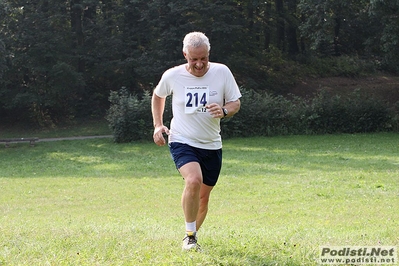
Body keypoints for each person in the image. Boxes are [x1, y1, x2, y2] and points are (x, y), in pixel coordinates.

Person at [151, 31, 241, 251]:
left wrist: (223, 110)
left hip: (211, 144)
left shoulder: (222, 72)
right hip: (182, 139)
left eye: (203, 58)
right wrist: (158, 125)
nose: (199, 64)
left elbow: (235, 102)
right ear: (185, 54)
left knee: (202, 198)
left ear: (208, 54)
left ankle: (189, 236)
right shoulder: (173, 75)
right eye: (194, 59)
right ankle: (191, 237)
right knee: (193, 180)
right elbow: (158, 95)